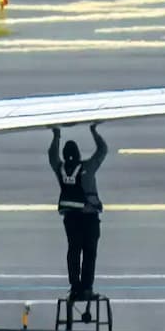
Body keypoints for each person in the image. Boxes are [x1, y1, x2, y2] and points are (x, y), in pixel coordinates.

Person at [50, 124, 108, 300]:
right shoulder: (87, 168)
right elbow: (102, 150)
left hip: (70, 218)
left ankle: (75, 287)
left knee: (73, 251)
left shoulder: (60, 169)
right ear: (78, 154)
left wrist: (56, 135)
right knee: (89, 253)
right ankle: (87, 288)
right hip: (89, 218)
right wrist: (94, 130)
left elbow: (52, 156)